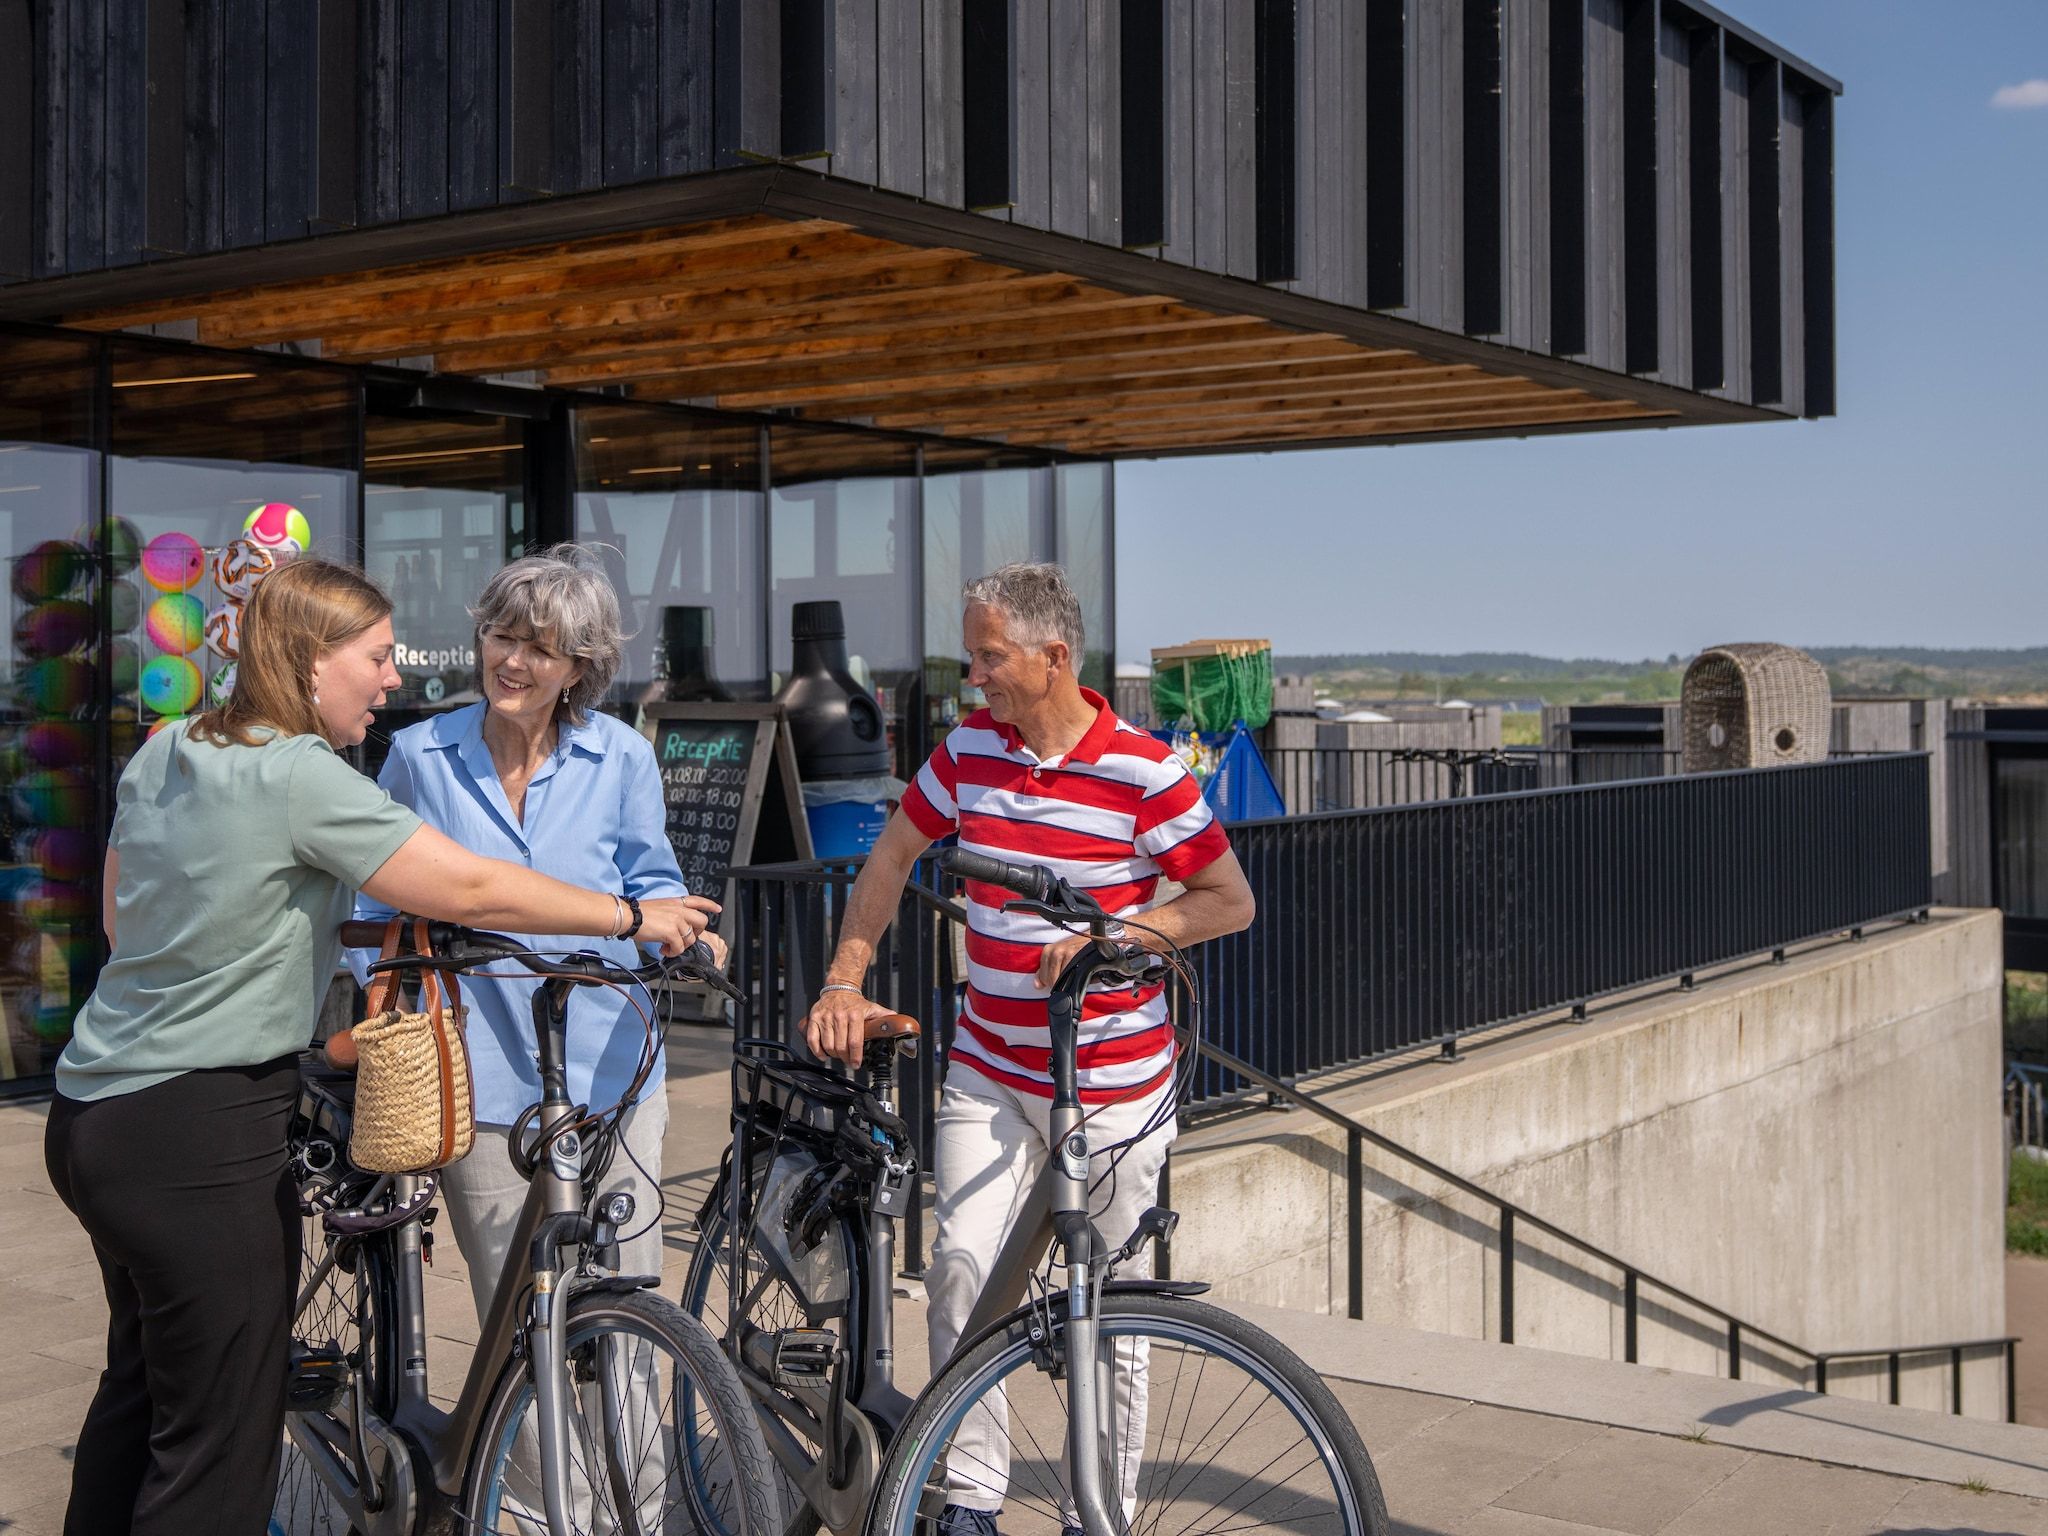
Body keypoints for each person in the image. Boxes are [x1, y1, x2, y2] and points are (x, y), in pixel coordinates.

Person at [42, 557, 713, 1536]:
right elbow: (468, 890)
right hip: (205, 1127)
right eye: (375, 656)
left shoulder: (167, 746)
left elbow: (116, 921)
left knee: (140, 1397)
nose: (394, 678)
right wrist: (623, 916)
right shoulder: (303, 774)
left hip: (99, 1114)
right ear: (312, 662)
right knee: (216, 1448)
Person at [804, 562, 1256, 1536]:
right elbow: (891, 854)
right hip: (992, 1072)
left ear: (1053, 658)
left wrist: (1117, 941)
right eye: (970, 655)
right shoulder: (969, 750)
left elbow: (1228, 900)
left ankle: (1102, 1516)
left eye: (989, 656)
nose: (974, 677)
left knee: (1114, 1317)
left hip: (1117, 1092)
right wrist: (845, 975)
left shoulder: (1144, 771)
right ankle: (969, 1494)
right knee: (961, 1267)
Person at [352, 544, 717, 1321]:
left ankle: (635, 1452)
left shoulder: (622, 755)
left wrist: (682, 934)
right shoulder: (419, 757)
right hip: (478, 1078)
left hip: (613, 1066)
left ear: (579, 666)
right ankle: (532, 1452)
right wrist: (399, 1007)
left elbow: (651, 883)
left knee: (628, 1309)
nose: (511, 661)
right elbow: (371, 913)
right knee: (516, 1320)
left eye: (540, 647)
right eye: (500, 636)